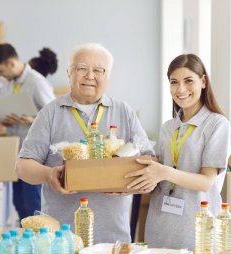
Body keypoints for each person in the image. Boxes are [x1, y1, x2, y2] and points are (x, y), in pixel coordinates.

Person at [15, 42, 150, 243]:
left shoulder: (124, 112)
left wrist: (130, 185)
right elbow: (22, 167)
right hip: (59, 239)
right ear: (70, 73)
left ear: (107, 77)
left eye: (98, 70)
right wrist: (49, 174)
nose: (90, 76)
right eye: (82, 68)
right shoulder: (50, 113)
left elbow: (149, 163)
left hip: (113, 238)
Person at [126, 54, 231, 251]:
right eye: (174, 82)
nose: (180, 89)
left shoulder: (217, 124)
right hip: (160, 225)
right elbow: (159, 178)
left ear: (203, 81)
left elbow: (206, 182)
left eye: (188, 81)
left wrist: (164, 172)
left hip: (197, 227)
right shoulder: (168, 127)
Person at [0, 43, 55, 221]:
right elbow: (8, 108)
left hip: (33, 155)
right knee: (19, 202)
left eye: (1, 71)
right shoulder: (7, 82)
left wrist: (31, 120)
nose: (0, 76)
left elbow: (55, 117)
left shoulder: (37, 82)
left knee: (33, 203)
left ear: (10, 63)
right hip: (15, 151)